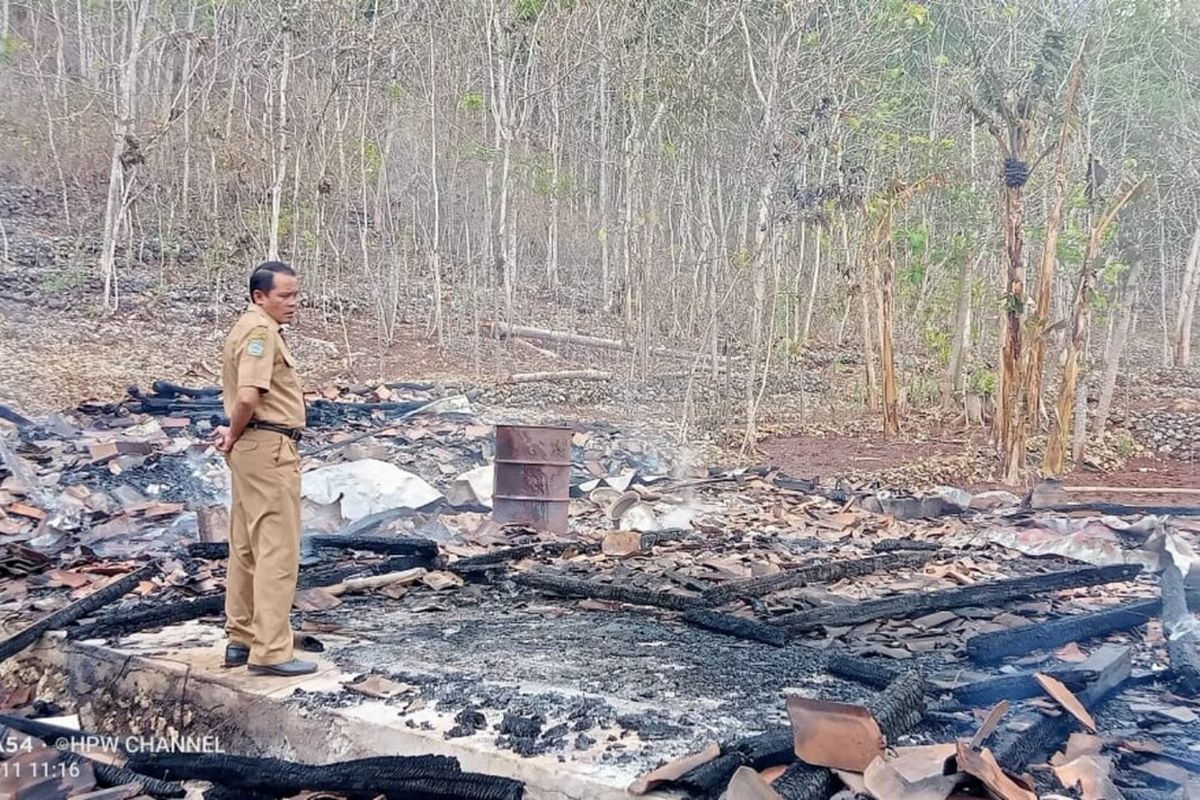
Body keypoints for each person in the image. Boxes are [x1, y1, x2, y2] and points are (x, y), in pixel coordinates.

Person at [211, 261, 315, 676]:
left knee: (247, 545)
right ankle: (271, 650)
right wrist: (234, 434)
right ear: (260, 296)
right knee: (277, 549)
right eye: (284, 296)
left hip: (255, 445)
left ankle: (241, 638)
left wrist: (236, 434)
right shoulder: (259, 333)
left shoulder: (248, 327)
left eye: (295, 294)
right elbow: (249, 396)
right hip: (268, 447)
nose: (293, 303)